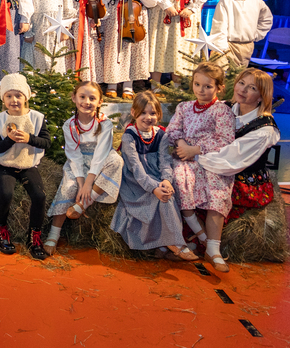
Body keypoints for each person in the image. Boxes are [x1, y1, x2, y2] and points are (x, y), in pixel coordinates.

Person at [159, 62, 236, 273]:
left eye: (208, 86)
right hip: (185, 159)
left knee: (218, 192)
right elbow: (172, 130)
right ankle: (202, 238)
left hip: (210, 160)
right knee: (180, 182)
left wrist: (196, 149)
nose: (201, 90)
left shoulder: (222, 111)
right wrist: (182, 144)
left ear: (219, 88)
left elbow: (225, 139)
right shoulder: (184, 107)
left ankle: (214, 249)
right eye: (197, 84)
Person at [110, 92, 198, 261]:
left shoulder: (161, 135)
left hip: (156, 175)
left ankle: (166, 243)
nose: (148, 117)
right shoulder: (129, 136)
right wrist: (154, 188)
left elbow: (165, 162)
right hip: (135, 181)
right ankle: (175, 243)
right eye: (143, 113)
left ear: (158, 115)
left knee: (169, 195)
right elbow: (136, 168)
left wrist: (166, 180)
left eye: (152, 113)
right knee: (159, 198)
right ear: (134, 113)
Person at [44, 81, 125, 254]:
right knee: (69, 186)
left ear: (100, 101)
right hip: (79, 161)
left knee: (117, 161)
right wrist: (81, 183)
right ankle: (54, 234)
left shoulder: (105, 123)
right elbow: (73, 155)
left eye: (92, 98)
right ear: (74, 98)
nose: (86, 102)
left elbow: (101, 154)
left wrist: (89, 184)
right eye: (82, 97)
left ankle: (83, 204)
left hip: (100, 158)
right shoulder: (69, 125)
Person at [197, 68, 281, 221]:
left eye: (252, 88)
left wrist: (194, 156)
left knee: (206, 202)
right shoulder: (224, 107)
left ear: (261, 96)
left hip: (241, 182)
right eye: (241, 83)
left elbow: (229, 161)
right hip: (212, 167)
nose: (243, 89)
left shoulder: (264, 129)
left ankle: (207, 236)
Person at [0, 73, 50, 259]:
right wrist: (9, 140)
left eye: (18, 95)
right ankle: (0, 232)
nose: (14, 100)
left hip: (28, 165)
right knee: (6, 193)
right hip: (5, 165)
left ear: (26, 97)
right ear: (3, 99)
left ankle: (34, 236)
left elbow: (46, 143)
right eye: (9, 96)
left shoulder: (37, 118)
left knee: (39, 196)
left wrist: (30, 138)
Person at [210, 0, 272, 68]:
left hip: (247, 46)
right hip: (227, 44)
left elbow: (266, 19)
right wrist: (220, 45)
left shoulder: (257, 2)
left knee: (239, 73)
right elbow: (219, 24)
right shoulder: (226, 1)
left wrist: (257, 34)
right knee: (220, 70)